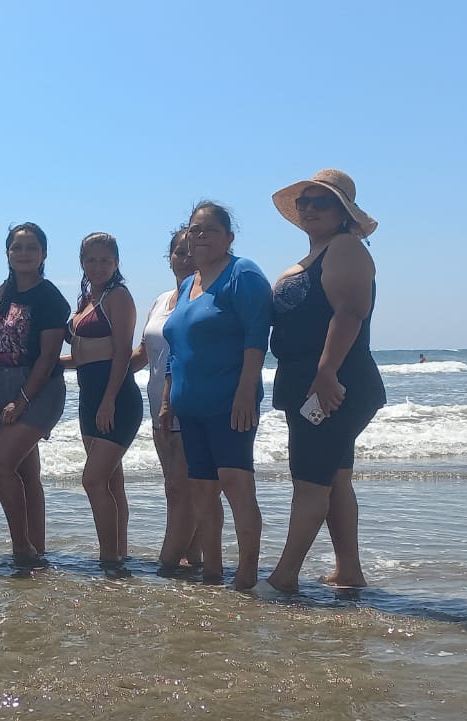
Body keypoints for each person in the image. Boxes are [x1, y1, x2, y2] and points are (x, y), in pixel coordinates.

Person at [262, 169, 386, 595]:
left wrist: (326, 372)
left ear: (344, 212)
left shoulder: (345, 247)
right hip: (312, 381)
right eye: (305, 202)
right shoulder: (318, 253)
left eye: (322, 202)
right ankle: (349, 571)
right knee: (334, 478)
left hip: (334, 383)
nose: (310, 208)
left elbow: (350, 312)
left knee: (310, 482)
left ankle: (283, 578)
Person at [160, 201, 273, 589]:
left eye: (210, 229)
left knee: (236, 485)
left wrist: (246, 391)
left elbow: (257, 335)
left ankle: (246, 574)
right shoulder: (188, 285)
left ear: (229, 237)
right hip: (189, 409)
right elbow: (177, 349)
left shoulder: (243, 273)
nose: (201, 235)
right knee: (202, 492)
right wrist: (167, 401)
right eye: (195, 229)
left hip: (229, 404)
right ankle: (212, 572)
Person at [0, 223, 70, 560]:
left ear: (43, 254)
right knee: (26, 472)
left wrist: (22, 400)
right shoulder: (3, 291)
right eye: (17, 247)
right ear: (7, 253)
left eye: (32, 247)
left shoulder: (49, 297)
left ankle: (21, 547)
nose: (24, 253)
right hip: (3, 384)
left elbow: (48, 357)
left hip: (39, 388)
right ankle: (37, 551)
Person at [64, 232, 142, 563]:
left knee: (93, 480)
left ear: (116, 263)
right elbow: (83, 355)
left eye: (105, 260)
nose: (97, 267)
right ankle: (118, 556)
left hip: (117, 399)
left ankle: (108, 558)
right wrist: (48, 365)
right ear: (82, 263)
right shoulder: (86, 301)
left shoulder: (118, 296)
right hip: (88, 400)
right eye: (91, 260)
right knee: (111, 482)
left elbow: (122, 352)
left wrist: (109, 399)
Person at [130, 228, 203, 570]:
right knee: (178, 487)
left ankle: (169, 562)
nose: (186, 259)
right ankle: (193, 557)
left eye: (192, 252)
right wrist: (101, 373)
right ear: (169, 258)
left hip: (189, 405)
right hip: (158, 409)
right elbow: (144, 353)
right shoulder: (160, 301)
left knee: (179, 487)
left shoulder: (206, 299)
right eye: (179, 252)